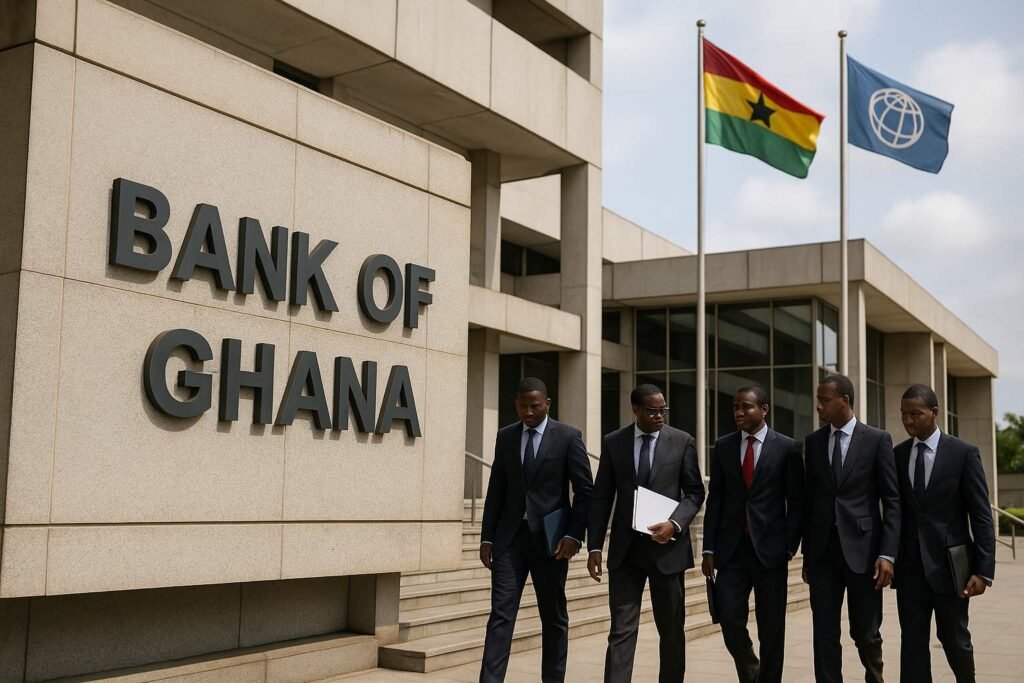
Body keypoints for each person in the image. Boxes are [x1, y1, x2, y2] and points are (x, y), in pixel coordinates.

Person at [587, 383, 705, 682]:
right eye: (652, 411)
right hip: (626, 553)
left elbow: (694, 492)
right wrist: (595, 546)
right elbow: (602, 496)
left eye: (663, 410)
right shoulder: (615, 442)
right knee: (621, 630)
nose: (659, 416)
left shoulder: (682, 441)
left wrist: (675, 523)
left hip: (668, 551)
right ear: (636, 409)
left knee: (671, 630)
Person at [478, 377, 594, 683]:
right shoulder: (506, 436)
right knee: (501, 616)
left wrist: (573, 535)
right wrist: (487, 537)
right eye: (523, 405)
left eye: (535, 405)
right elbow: (497, 490)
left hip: (552, 543)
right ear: (515, 403)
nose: (528, 411)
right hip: (509, 541)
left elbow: (584, 491)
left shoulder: (568, 436)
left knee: (553, 617)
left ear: (547, 404)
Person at [892, 383, 995, 683]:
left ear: (934, 412)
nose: (908, 420)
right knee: (912, 645)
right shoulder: (897, 456)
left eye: (915, 414)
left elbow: (981, 516)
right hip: (910, 568)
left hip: (952, 569)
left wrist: (983, 570)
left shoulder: (963, 454)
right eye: (903, 415)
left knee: (954, 640)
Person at [701, 386, 804, 683]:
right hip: (731, 551)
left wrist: (789, 546)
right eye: (735, 407)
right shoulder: (723, 446)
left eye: (745, 407)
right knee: (729, 617)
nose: (738, 412)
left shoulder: (786, 447)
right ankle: (750, 670)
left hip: (771, 552)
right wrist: (708, 548)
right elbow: (716, 498)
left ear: (764, 410)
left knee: (771, 627)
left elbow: (796, 502)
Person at [802, 373, 900, 683]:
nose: (819, 406)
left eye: (824, 400)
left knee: (866, 632)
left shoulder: (877, 439)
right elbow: (810, 500)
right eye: (818, 400)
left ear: (845, 401)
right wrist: (808, 554)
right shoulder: (814, 442)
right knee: (824, 633)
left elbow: (892, 501)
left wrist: (887, 553)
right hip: (822, 555)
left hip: (864, 552)